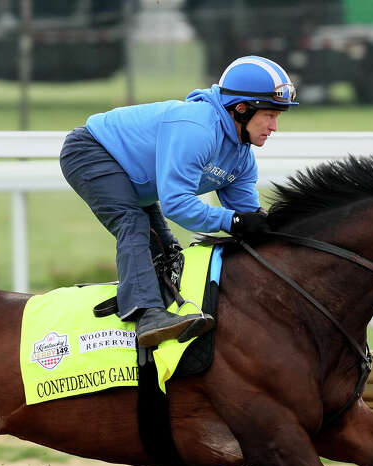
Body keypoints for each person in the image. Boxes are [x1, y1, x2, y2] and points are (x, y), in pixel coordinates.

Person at [59, 55, 298, 348]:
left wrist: (271, 227)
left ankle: (161, 308)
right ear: (241, 108)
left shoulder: (242, 158)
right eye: (270, 115)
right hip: (90, 151)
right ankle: (147, 314)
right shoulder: (197, 130)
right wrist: (231, 220)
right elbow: (176, 205)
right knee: (133, 223)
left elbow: (248, 218)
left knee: (168, 251)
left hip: (135, 177)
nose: (274, 126)